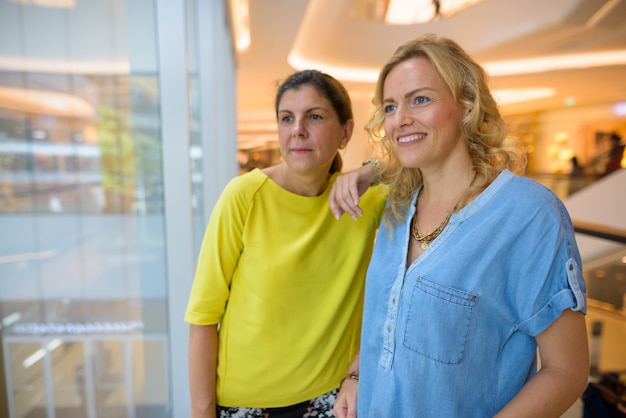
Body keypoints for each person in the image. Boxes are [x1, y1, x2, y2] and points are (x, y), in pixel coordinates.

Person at [329, 34, 589, 417]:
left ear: (466, 104)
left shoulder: (527, 214)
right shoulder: (395, 210)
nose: (400, 119)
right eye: (389, 106)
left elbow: (566, 371)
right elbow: (390, 319)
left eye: (421, 99)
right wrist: (356, 377)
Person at [185, 69, 387, 418]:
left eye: (315, 117)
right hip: (243, 403)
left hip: (330, 399)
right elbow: (203, 317)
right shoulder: (245, 195)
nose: (298, 130)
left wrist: (371, 170)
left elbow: (426, 168)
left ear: (346, 132)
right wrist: (201, 412)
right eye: (287, 118)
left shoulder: (365, 201)